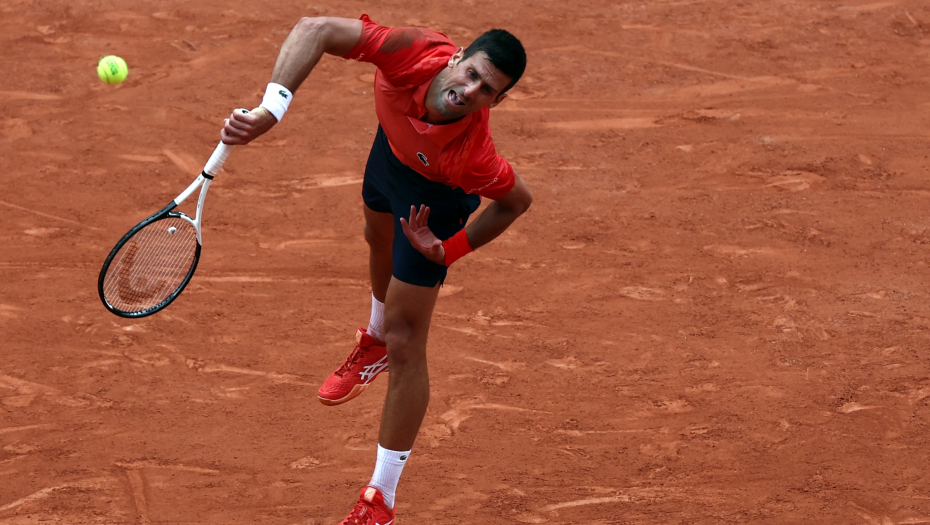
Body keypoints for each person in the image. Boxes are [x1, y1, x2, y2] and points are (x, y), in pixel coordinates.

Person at [221, 14, 532, 525]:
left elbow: (516, 201)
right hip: (388, 155)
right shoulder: (412, 52)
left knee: (409, 343)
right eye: (472, 73)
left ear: (495, 103)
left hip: (433, 201)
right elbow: (315, 28)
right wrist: (271, 111)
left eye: (486, 91)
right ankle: (374, 339)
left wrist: (448, 248)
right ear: (456, 58)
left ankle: (380, 499)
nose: (470, 90)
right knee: (376, 238)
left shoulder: (470, 154)